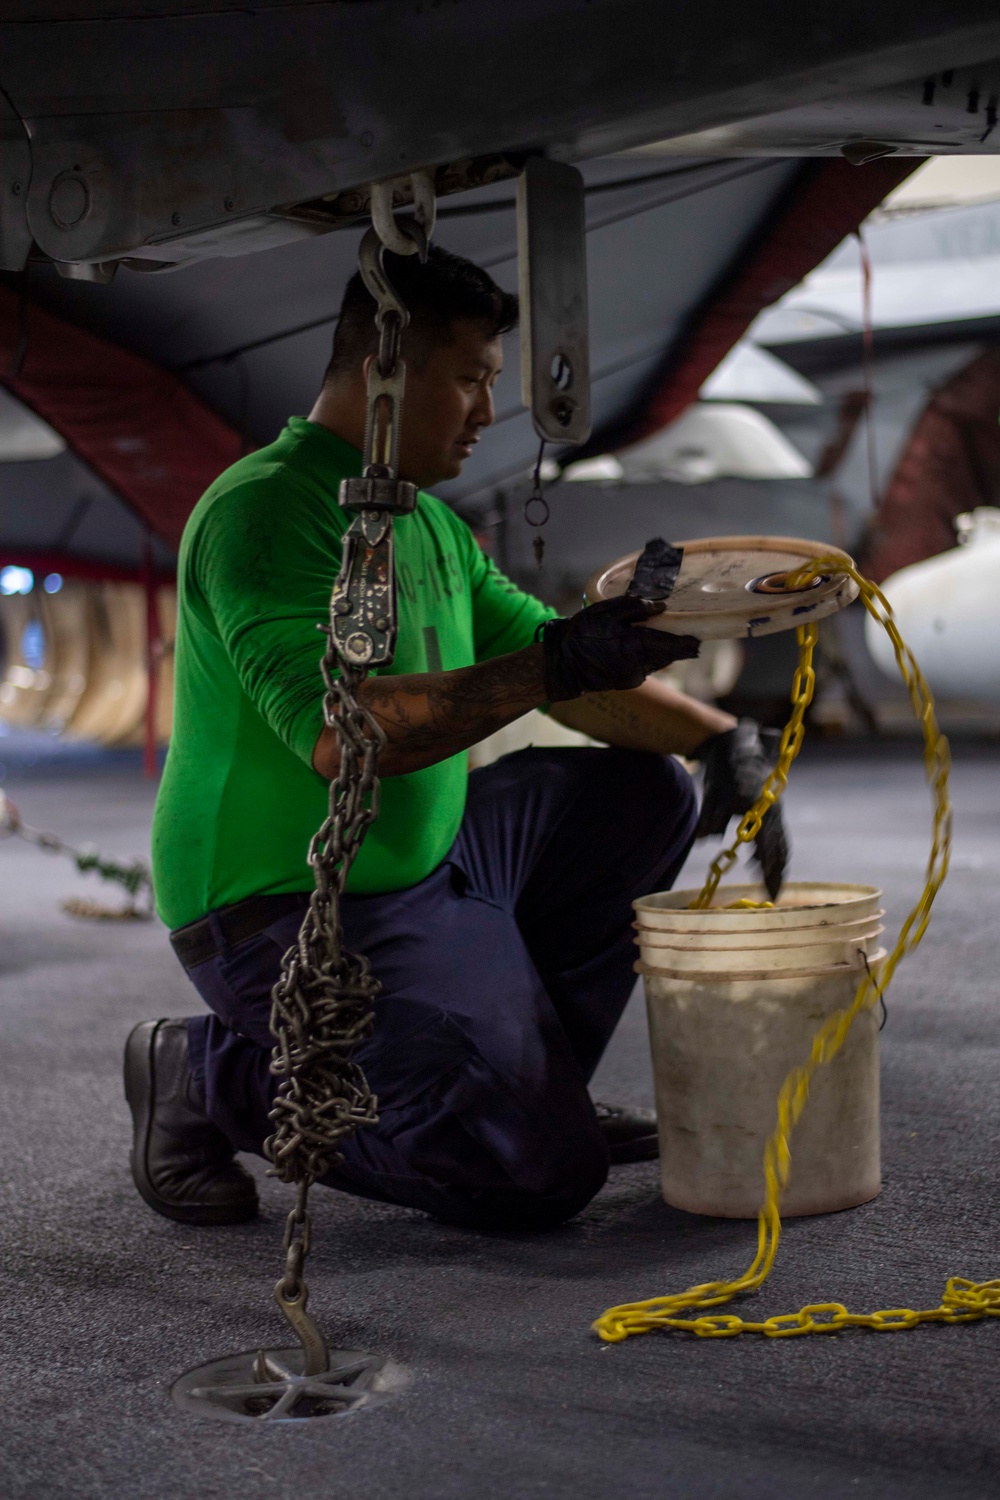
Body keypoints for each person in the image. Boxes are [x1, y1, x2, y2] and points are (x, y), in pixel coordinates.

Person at [125, 245, 785, 1233]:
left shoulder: (430, 527)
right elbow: (339, 738)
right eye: (471, 379)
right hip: (282, 904)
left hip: (429, 865)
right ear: (385, 372)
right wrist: (554, 665)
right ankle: (203, 1072)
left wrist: (723, 739)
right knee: (535, 1180)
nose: (488, 409)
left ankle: (535, 1087)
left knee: (651, 793)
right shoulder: (265, 510)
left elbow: (563, 678)